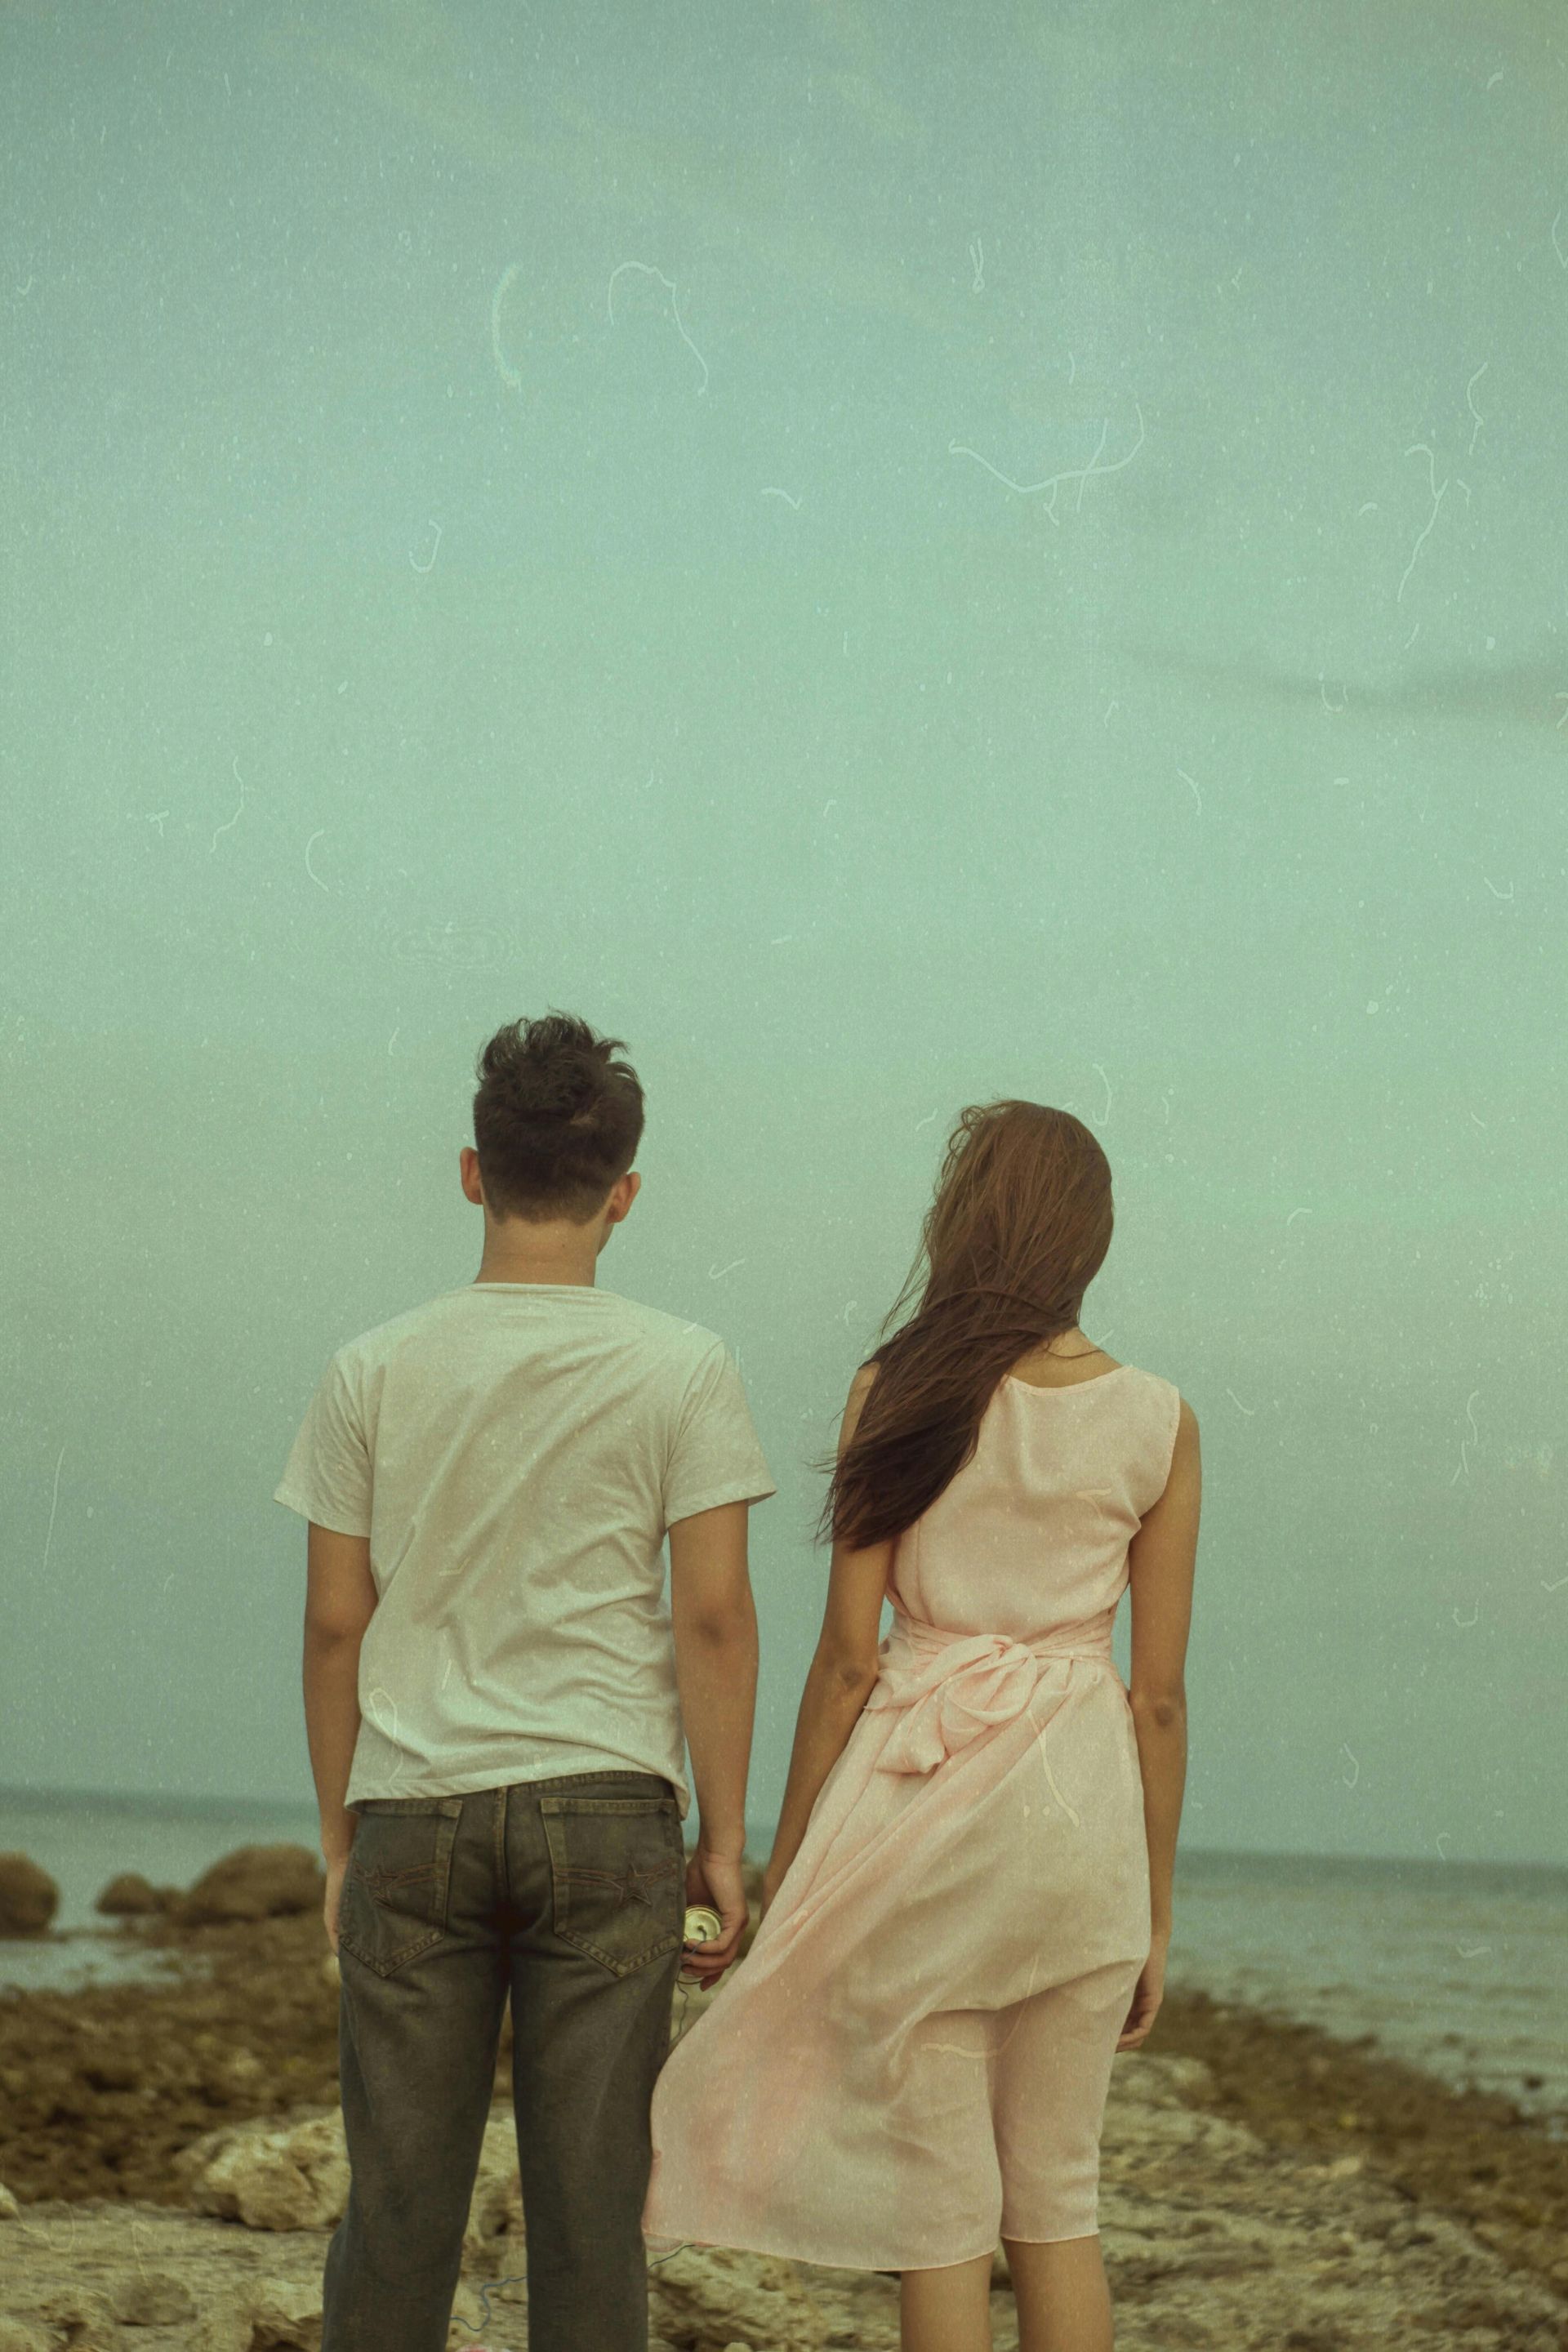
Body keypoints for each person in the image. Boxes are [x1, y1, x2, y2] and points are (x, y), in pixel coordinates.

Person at [644, 1097, 1200, 2352]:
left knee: (940, 2210)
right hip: (1078, 1818)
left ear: (962, 1224)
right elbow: (1156, 1695)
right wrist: (1155, 1909)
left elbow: (848, 1661)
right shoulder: (1161, 1419)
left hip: (925, 1811)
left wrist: (787, 1869)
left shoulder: (895, 1389)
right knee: (1058, 2198)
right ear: (1088, 1240)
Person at [274, 1010, 774, 2352]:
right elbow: (714, 1620)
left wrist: (339, 1835)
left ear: (471, 1172)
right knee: (595, 2217)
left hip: (416, 1810)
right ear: (624, 1194)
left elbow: (335, 1625)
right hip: (611, 1812)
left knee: (394, 2219)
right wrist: (723, 1842)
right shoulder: (684, 1365)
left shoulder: (369, 1368)